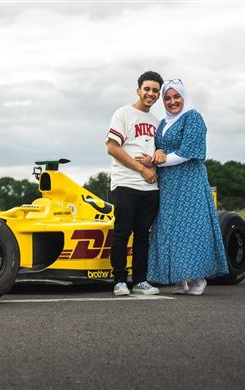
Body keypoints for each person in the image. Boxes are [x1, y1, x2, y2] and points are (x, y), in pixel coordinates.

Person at [141, 79, 228, 295]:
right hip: (168, 183)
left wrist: (156, 160)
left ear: (184, 97)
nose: (172, 102)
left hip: (189, 180)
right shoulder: (163, 123)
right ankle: (180, 279)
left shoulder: (193, 117)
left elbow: (187, 152)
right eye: (167, 98)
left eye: (176, 97)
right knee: (167, 228)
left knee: (190, 228)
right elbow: (160, 146)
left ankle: (198, 279)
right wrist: (158, 153)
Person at [105, 71, 163, 296]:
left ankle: (140, 280)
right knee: (122, 232)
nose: (150, 94)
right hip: (126, 183)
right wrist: (141, 169)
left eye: (155, 91)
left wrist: (158, 151)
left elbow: (160, 150)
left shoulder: (157, 122)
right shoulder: (123, 114)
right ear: (138, 90)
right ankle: (120, 280)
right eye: (147, 89)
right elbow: (112, 147)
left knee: (142, 234)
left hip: (150, 187)